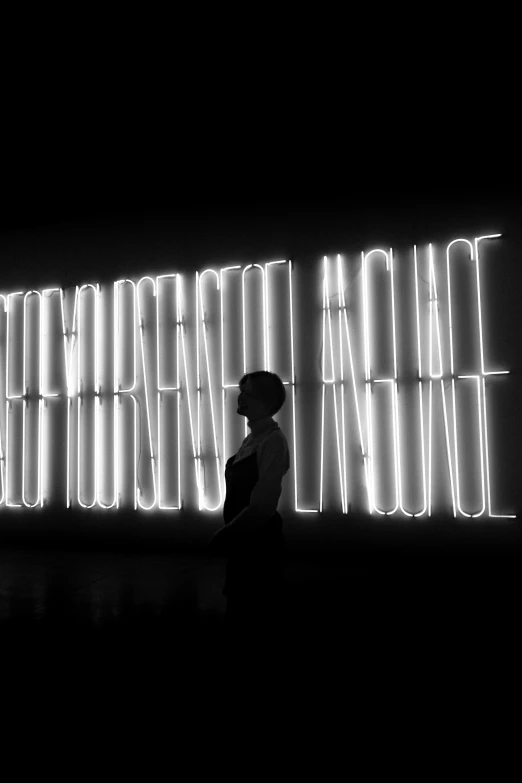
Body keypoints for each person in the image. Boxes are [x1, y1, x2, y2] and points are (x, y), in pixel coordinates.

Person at [209, 370, 290, 641]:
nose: (240, 396)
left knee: (253, 616)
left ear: (266, 402)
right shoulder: (252, 439)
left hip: (258, 544)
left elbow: (263, 505)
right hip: (244, 542)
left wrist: (226, 533)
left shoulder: (272, 441)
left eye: (248, 392)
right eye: (241, 390)